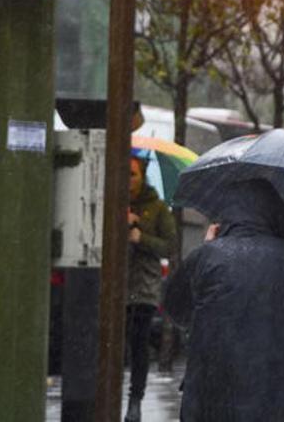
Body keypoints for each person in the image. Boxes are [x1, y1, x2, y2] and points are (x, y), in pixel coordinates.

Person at [163, 179, 284, 421]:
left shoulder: (207, 257)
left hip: (212, 402)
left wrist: (208, 248)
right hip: (280, 402)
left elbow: (176, 310)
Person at [125, 157, 177, 422]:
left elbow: (169, 246)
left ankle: (135, 400)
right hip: (116, 288)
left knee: (138, 345)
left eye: (133, 174)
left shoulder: (156, 208)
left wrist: (139, 234)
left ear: (142, 176)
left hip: (143, 288)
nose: (128, 180)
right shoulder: (113, 201)